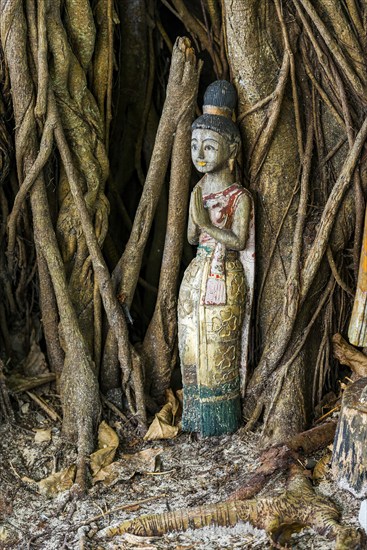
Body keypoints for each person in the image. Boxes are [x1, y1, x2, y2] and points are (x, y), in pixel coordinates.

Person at [178, 80, 252, 436]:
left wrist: (207, 222)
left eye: (209, 146)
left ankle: (221, 417)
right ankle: (195, 413)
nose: (200, 155)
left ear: (232, 147)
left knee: (219, 344)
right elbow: (193, 236)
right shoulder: (197, 189)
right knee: (191, 342)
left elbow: (238, 240)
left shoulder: (239, 196)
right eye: (195, 147)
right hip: (196, 273)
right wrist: (198, 223)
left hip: (225, 273)